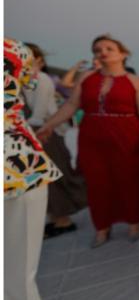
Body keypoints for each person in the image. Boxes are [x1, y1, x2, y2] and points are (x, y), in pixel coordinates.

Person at [37, 34, 139, 247]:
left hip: (128, 136)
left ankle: (134, 222)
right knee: (97, 182)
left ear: (123, 54)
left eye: (109, 48)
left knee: (129, 179)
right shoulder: (86, 77)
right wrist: (49, 125)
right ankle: (102, 226)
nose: (102, 52)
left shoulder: (137, 82)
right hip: (92, 136)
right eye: (97, 50)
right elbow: (71, 105)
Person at [4, 39, 62, 300]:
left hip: (16, 169)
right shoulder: (14, 50)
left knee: (13, 278)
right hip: (19, 162)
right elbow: (32, 99)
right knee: (15, 277)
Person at [23, 43, 87, 238]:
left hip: (45, 132)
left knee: (55, 177)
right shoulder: (26, 80)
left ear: (39, 60)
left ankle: (63, 220)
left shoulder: (41, 79)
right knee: (45, 179)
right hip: (37, 132)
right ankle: (56, 218)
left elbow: (39, 112)